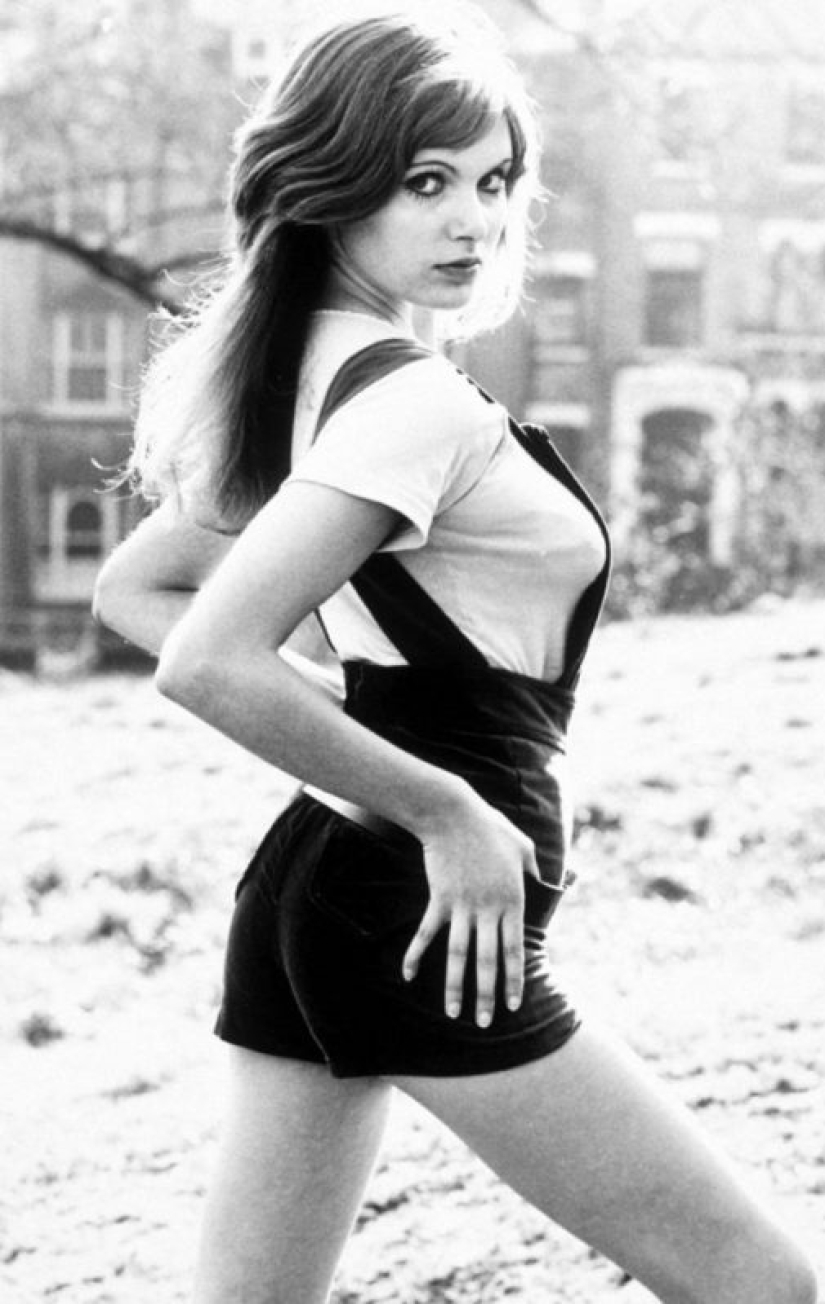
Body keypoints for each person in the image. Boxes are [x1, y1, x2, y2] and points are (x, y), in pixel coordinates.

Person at [93, 7, 818, 1303]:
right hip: (419, 910)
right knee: (759, 1286)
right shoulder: (410, 406)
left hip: (330, 884)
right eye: (425, 182)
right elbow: (204, 656)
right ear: (330, 181)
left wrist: (358, 745)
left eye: (493, 182)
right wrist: (444, 808)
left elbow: (134, 589)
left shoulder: (294, 383)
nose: (473, 221)